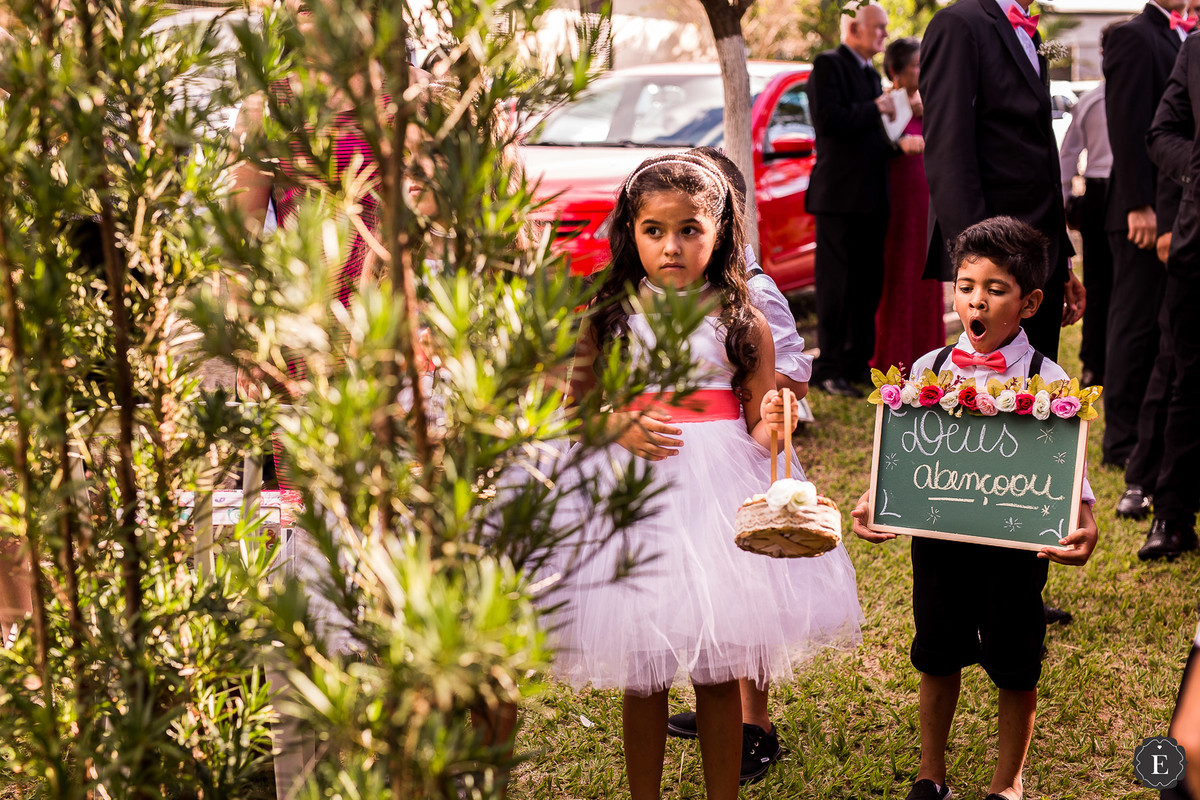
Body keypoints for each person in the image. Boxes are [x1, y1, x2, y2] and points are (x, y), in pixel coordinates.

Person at [551, 153, 863, 800]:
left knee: (719, 667)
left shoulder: (741, 318)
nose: (672, 245)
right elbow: (575, 413)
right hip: (635, 494)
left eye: (690, 229)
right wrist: (619, 426)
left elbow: (758, 422)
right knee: (644, 673)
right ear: (630, 232)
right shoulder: (608, 317)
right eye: (654, 230)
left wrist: (775, 421)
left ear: (720, 232)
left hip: (719, 491)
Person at [850, 216, 1099, 800]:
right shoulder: (925, 372)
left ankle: (1007, 782)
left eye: (995, 288)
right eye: (965, 286)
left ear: (1031, 301)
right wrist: (876, 501)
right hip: (939, 544)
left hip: (1014, 550)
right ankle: (930, 774)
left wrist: (1084, 520)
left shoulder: (1050, 379)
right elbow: (903, 457)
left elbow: (1070, 474)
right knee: (937, 654)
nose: (976, 301)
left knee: (1016, 662)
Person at [660, 147, 812, 783]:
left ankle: (757, 722)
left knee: (745, 592)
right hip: (687, 453)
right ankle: (713, 691)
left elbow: (793, 365)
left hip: (744, 451)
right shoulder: (667, 291)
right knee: (704, 588)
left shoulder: (754, 290)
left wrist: (772, 394)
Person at [920, 0, 1086, 363]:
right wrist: (977, 265)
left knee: (1037, 389)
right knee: (989, 396)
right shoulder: (958, 24)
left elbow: (1039, 150)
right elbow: (949, 152)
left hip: (1041, 256)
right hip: (995, 264)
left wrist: (1062, 263)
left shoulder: (1031, 33)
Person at [806, 3, 920, 398]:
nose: (884, 36)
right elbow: (829, 121)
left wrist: (898, 143)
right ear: (854, 28)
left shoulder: (869, 75)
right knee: (836, 285)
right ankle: (828, 368)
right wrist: (876, 107)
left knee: (867, 286)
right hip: (839, 198)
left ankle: (856, 364)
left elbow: (874, 138)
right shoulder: (828, 65)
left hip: (872, 197)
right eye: (879, 28)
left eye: (886, 29)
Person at [1100, 0, 1188, 468]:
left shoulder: (1179, 36)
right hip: (1141, 212)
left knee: (1159, 328)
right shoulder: (1134, 35)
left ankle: (1149, 436)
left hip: (1174, 209)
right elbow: (1128, 124)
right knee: (1133, 327)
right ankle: (1120, 443)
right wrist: (1140, 203)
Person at [1136, 33, 1200, 558]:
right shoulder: (1197, 47)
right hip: (1199, 245)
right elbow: (1162, 133)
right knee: (1189, 381)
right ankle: (1173, 516)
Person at [872, 37, 944, 374]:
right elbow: (879, 144)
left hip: (927, 200)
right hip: (897, 200)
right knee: (898, 272)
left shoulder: (931, 102)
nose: (923, 70)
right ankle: (895, 354)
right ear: (895, 71)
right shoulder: (885, 104)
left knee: (925, 270)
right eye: (917, 64)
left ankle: (928, 352)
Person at [1058, 70, 1113, 389]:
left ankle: (1098, 364)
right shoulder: (1093, 101)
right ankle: (1094, 364)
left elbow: (1067, 156)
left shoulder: (1092, 100)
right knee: (1098, 281)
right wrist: (1063, 204)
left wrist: (1064, 203)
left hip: (1102, 194)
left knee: (1100, 281)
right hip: (1101, 193)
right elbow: (1068, 156)